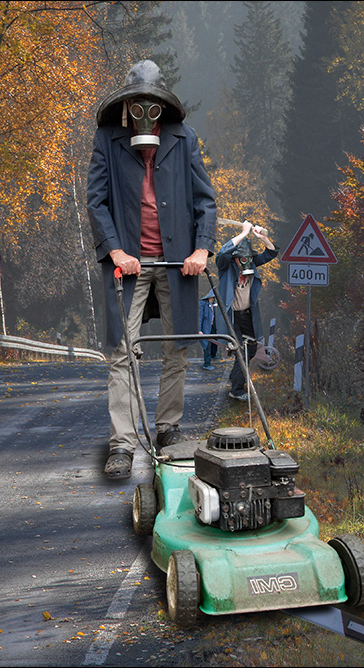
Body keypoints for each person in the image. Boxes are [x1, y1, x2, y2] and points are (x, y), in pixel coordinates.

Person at [87, 59, 218, 480]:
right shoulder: (108, 140)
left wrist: (201, 248)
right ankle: (122, 444)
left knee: (176, 346)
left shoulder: (184, 139)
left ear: (162, 105)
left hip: (177, 261)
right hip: (128, 262)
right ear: (128, 106)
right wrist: (115, 251)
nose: (144, 110)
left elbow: (204, 201)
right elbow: (97, 202)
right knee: (121, 351)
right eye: (137, 103)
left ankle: (167, 428)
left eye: (152, 103)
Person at [215, 220, 277, 401]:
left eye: (249, 258)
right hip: (232, 317)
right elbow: (222, 253)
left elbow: (271, 253)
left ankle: (235, 376)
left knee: (250, 348)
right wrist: (243, 233)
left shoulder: (252, 265)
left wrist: (263, 238)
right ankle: (236, 389)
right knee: (240, 351)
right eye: (242, 258)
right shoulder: (226, 268)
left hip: (248, 316)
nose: (246, 262)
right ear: (235, 258)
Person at [198, 290, 218, 371]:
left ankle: (213, 355)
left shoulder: (212, 304)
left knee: (215, 341)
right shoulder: (202, 304)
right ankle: (207, 364)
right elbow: (199, 317)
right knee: (207, 345)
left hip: (212, 326)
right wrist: (199, 330)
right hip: (205, 328)